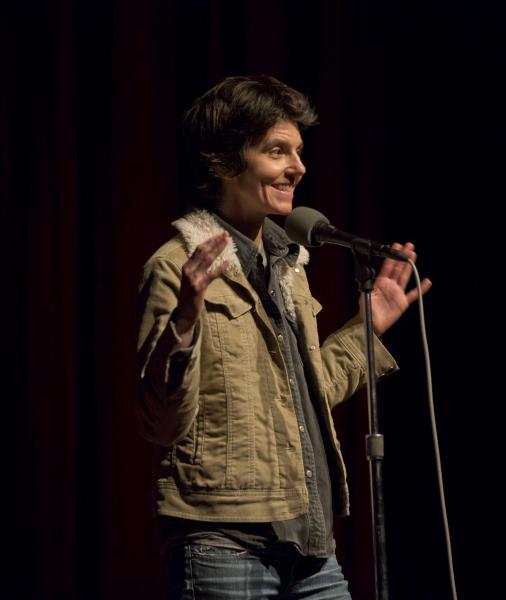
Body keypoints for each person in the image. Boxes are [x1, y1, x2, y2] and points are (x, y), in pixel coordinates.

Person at [136, 74, 432, 600]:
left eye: (298, 151)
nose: (298, 167)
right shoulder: (176, 267)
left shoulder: (290, 264)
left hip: (310, 539)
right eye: (278, 151)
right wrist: (185, 319)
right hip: (224, 543)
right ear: (226, 161)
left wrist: (370, 327)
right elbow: (161, 421)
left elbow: (306, 391)